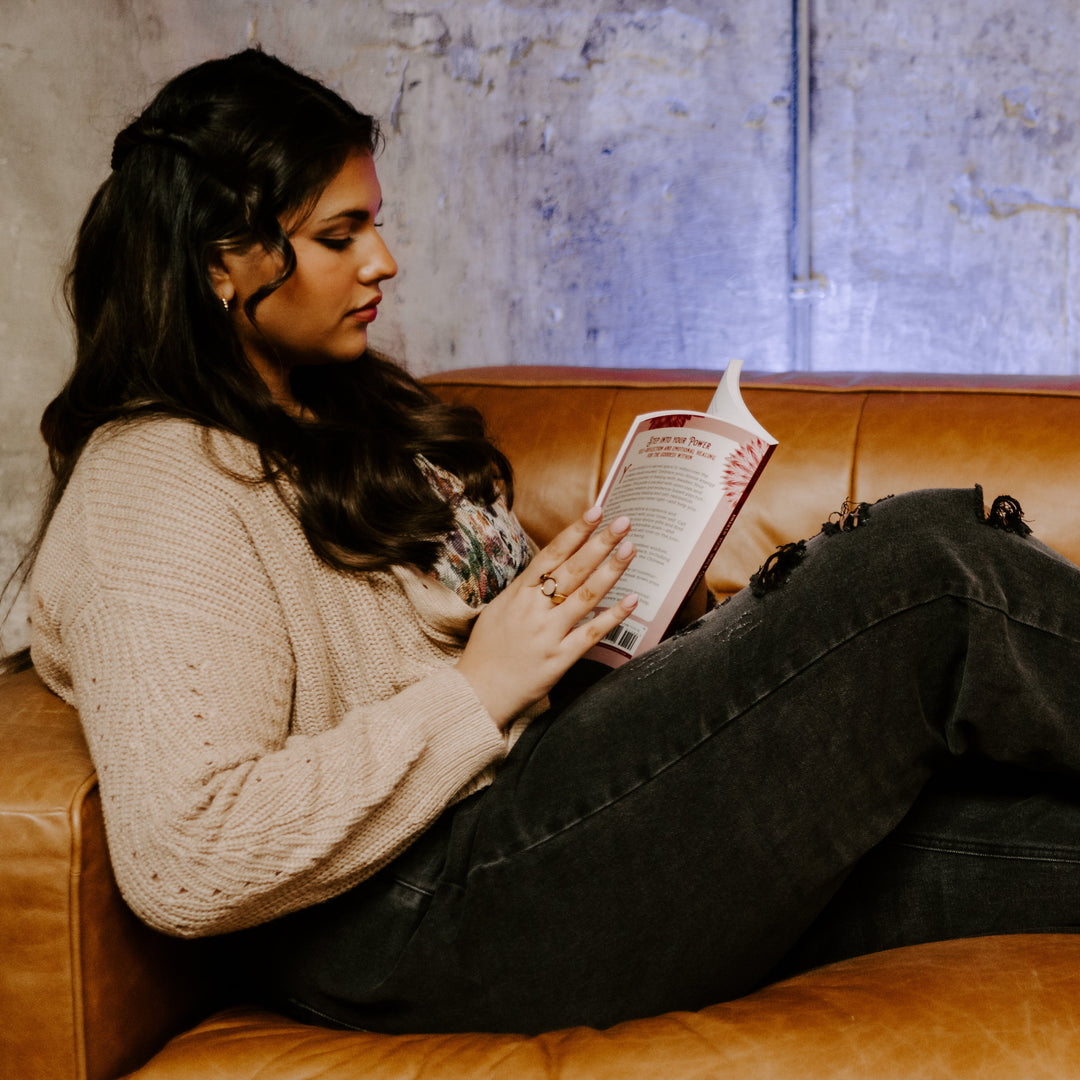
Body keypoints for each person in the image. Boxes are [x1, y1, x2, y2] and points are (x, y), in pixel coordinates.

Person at [9, 48, 1080, 1036]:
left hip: (543, 814)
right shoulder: (153, 483)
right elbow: (188, 857)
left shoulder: (338, 415)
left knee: (1031, 842)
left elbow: (487, 658)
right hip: (429, 907)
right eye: (339, 237)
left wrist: (632, 621)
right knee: (916, 574)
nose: (384, 261)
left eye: (374, 223)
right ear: (220, 265)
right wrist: (481, 689)